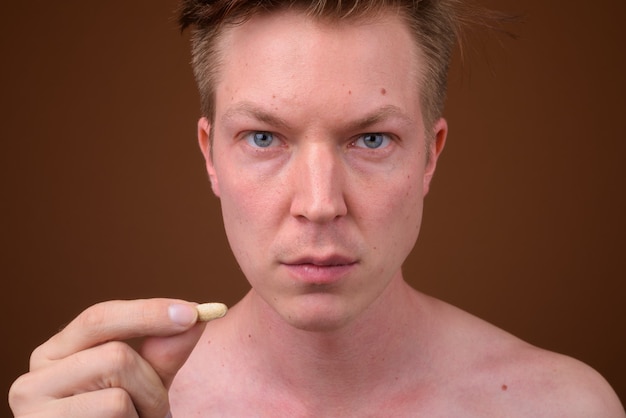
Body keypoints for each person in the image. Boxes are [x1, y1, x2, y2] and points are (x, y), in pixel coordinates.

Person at [9, 0, 625, 416]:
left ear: (429, 157)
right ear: (211, 155)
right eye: (264, 138)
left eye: (371, 139)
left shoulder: (562, 405)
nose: (320, 204)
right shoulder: (120, 405)